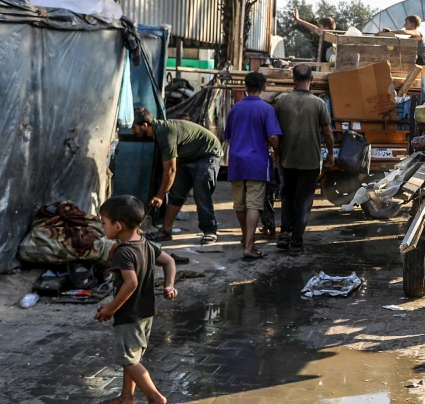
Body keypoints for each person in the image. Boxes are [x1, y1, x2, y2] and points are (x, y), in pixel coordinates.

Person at [94, 196, 178, 404]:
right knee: (132, 356)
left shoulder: (123, 252)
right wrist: (169, 285)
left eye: (104, 222)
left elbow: (131, 284)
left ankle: (154, 397)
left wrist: (111, 308)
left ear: (118, 225)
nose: (102, 227)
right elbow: (169, 262)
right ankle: (126, 397)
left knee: (127, 360)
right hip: (146, 312)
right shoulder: (146, 243)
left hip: (129, 314)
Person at [133, 107, 223, 245]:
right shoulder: (158, 132)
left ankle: (209, 231)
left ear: (144, 125)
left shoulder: (165, 133)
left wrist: (160, 195)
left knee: (201, 194)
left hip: (207, 155)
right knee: (176, 195)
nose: (132, 131)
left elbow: (170, 170)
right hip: (188, 156)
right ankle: (166, 231)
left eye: (134, 127)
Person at [274, 63, 336, 254]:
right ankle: (296, 243)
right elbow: (327, 133)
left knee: (287, 196)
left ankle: (284, 234)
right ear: (312, 80)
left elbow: (275, 134)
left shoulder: (281, 101)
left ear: (293, 79)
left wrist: (276, 155)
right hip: (309, 161)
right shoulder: (318, 103)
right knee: (303, 201)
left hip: (286, 159)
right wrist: (331, 153)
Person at [224, 71, 281, 260]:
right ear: (264, 87)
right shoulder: (266, 109)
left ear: (246, 87)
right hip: (257, 162)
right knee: (254, 205)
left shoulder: (235, 108)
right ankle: (249, 246)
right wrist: (277, 152)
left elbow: (228, 136)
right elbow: (273, 137)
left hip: (236, 162)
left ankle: (245, 238)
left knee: (240, 204)